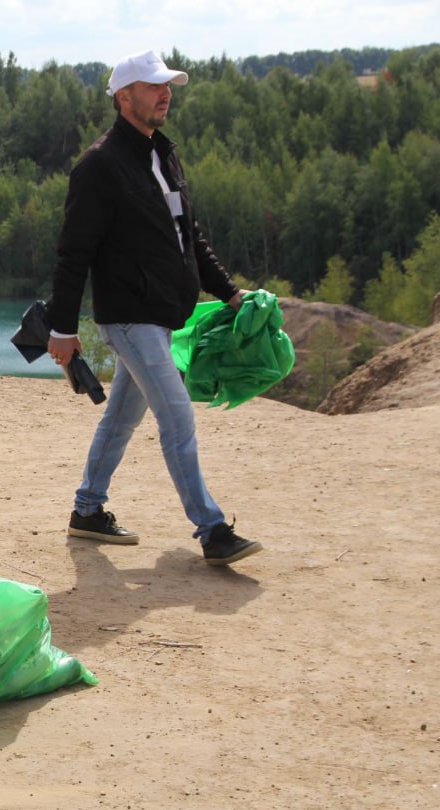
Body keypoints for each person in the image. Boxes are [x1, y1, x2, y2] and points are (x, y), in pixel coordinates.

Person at [44, 50, 262, 566]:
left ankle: (88, 510)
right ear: (125, 97)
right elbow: (74, 253)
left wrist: (231, 292)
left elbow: (191, 239)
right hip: (127, 316)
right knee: (176, 414)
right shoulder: (98, 167)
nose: (165, 93)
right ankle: (212, 531)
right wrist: (61, 328)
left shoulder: (163, 155)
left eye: (168, 86)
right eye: (153, 86)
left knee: (121, 416)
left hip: (163, 316)